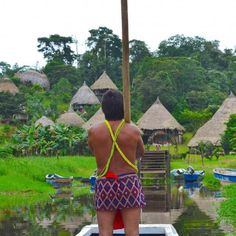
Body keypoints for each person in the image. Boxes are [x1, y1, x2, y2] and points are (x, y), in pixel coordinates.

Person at [88, 89, 145, 236]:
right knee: (132, 232)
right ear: (123, 108)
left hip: (105, 182)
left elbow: (93, 151)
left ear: (103, 109)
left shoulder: (93, 132)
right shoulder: (134, 131)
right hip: (129, 182)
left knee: (105, 232)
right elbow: (140, 153)